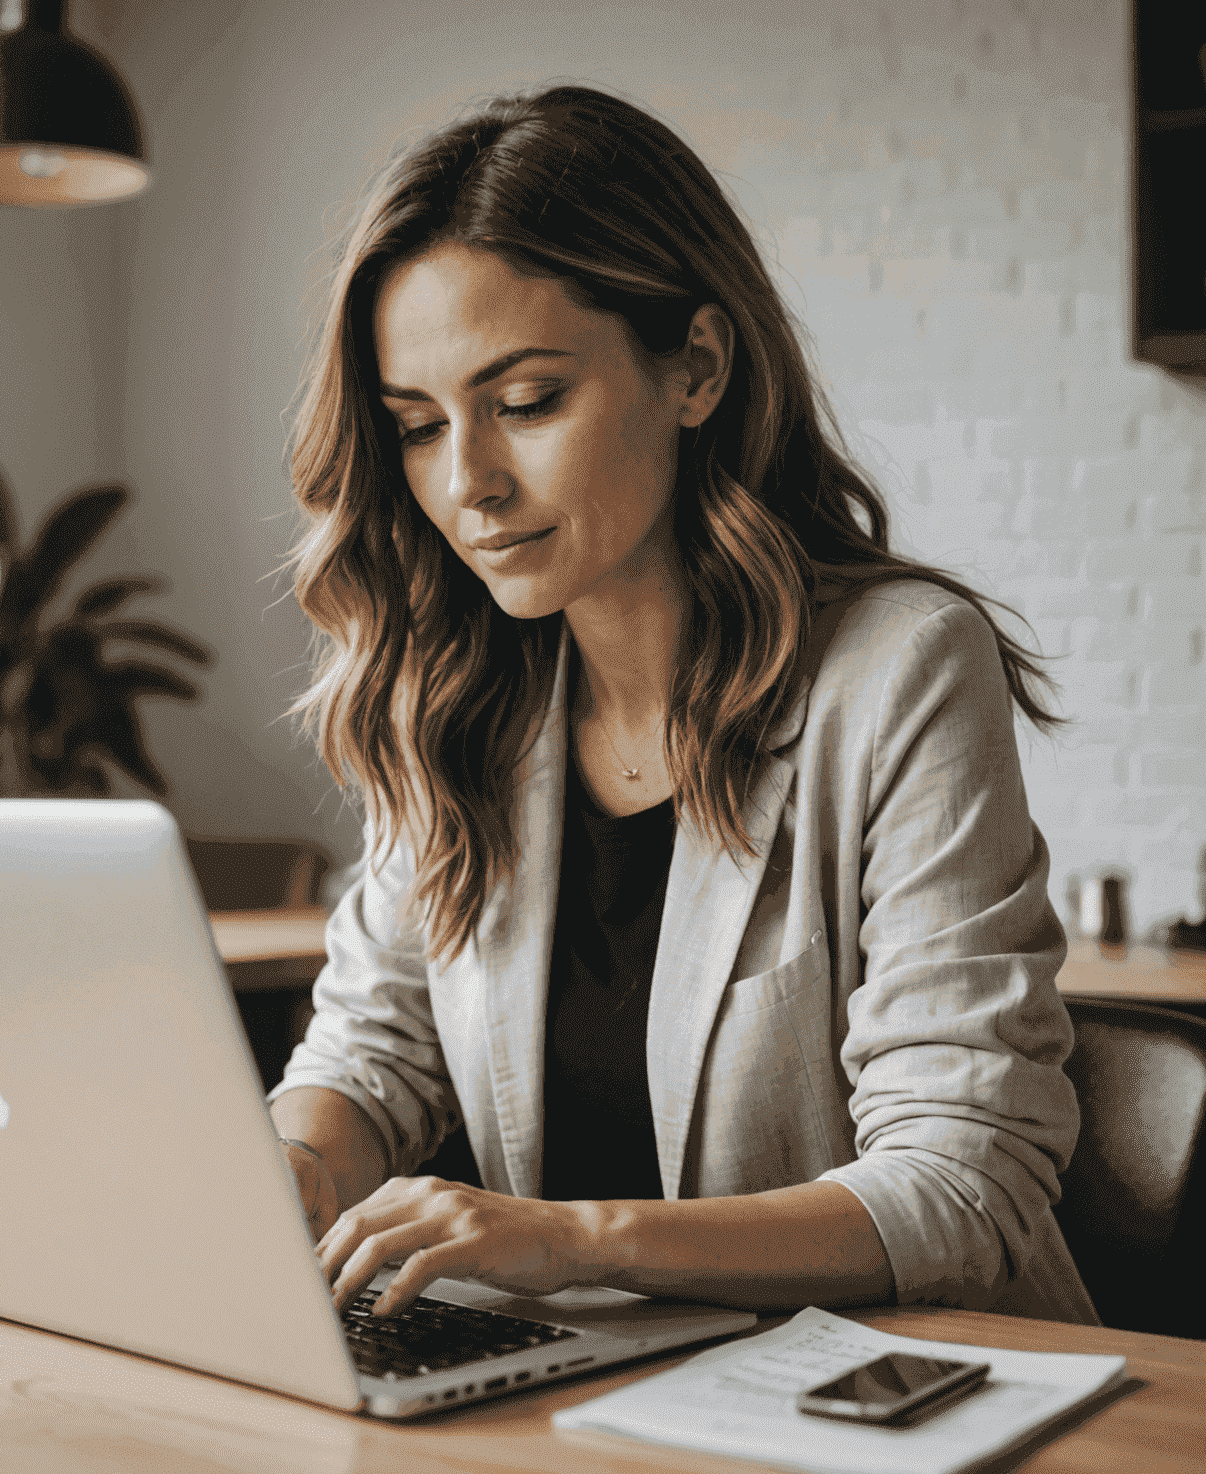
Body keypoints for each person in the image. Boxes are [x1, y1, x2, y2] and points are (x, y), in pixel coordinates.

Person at [267, 84, 1096, 1326]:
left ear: (695, 368)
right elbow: (370, 1056)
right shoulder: (459, 694)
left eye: (528, 403)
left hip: (891, 1396)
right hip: (603, 1394)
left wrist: (572, 1241)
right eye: (419, 427)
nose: (469, 484)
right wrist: (292, 1170)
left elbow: (963, 1182)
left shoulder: (901, 669)